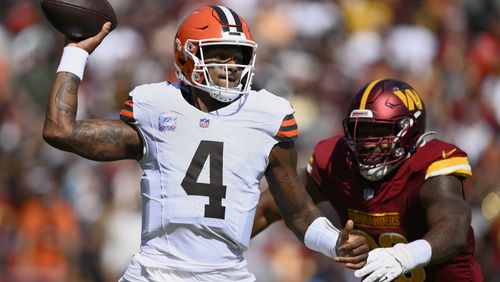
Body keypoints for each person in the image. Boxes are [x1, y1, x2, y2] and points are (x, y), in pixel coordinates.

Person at [42, 5, 368, 282]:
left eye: (237, 57)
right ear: (187, 56)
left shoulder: (268, 116)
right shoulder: (156, 106)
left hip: (226, 273)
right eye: (219, 55)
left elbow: (297, 211)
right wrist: (75, 53)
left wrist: (333, 242)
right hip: (156, 272)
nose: (230, 67)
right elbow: (60, 131)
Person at [252, 78, 484, 281]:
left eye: (379, 132)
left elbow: (455, 229)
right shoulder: (337, 160)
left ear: (408, 132)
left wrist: (405, 256)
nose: (367, 142)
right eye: (361, 131)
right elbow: (273, 205)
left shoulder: (431, 165)